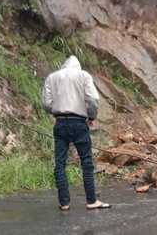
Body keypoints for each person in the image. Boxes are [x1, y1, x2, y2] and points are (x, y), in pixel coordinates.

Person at [42, 55, 110, 211]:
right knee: (86, 162)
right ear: (77, 67)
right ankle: (91, 201)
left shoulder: (52, 77)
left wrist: (57, 110)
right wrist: (91, 116)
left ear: (64, 66)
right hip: (79, 123)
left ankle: (64, 203)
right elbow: (92, 99)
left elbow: (46, 103)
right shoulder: (83, 75)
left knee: (60, 163)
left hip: (60, 123)